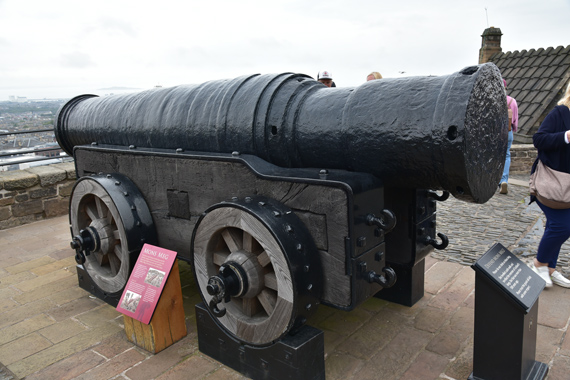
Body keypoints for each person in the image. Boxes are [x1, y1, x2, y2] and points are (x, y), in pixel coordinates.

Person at [530, 81, 570, 288]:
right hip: (550, 183)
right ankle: (538, 265)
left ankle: (550, 269)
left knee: (559, 226)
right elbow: (539, 139)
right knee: (563, 225)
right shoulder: (560, 113)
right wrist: (566, 136)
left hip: (568, 188)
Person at [499, 79, 518, 194]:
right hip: (508, 131)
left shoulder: (492, 101)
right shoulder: (512, 101)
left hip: (495, 133)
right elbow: (515, 120)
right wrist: (513, 130)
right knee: (506, 155)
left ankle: (494, 180)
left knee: (494, 156)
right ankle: (503, 180)